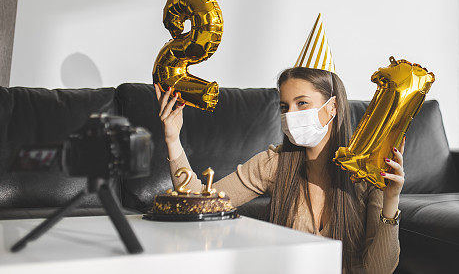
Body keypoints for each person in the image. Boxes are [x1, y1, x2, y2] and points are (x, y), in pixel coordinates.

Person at [155, 65, 403, 273]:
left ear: (333, 107)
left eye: (302, 103)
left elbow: (379, 270)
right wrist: (173, 139)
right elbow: (200, 201)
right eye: (285, 107)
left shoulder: (364, 171)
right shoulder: (275, 163)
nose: (291, 115)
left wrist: (391, 199)